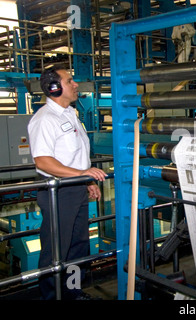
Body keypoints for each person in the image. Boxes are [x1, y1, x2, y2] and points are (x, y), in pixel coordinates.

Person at [27, 65, 107, 300]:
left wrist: (85, 181)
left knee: (78, 246)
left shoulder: (71, 113)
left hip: (75, 188)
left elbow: (74, 155)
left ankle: (73, 292)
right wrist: (83, 173)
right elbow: (43, 162)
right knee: (56, 250)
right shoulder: (45, 119)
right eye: (70, 81)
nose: (75, 85)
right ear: (54, 88)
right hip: (57, 192)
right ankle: (51, 296)